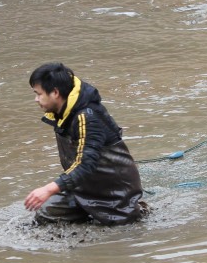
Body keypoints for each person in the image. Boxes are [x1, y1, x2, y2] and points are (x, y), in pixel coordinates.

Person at [24, 63, 145, 226]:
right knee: (46, 214)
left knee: (120, 230)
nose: (36, 99)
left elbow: (85, 164)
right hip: (84, 188)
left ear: (55, 93)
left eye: (38, 94)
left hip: (114, 193)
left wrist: (49, 189)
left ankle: (137, 209)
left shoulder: (87, 117)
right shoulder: (62, 113)